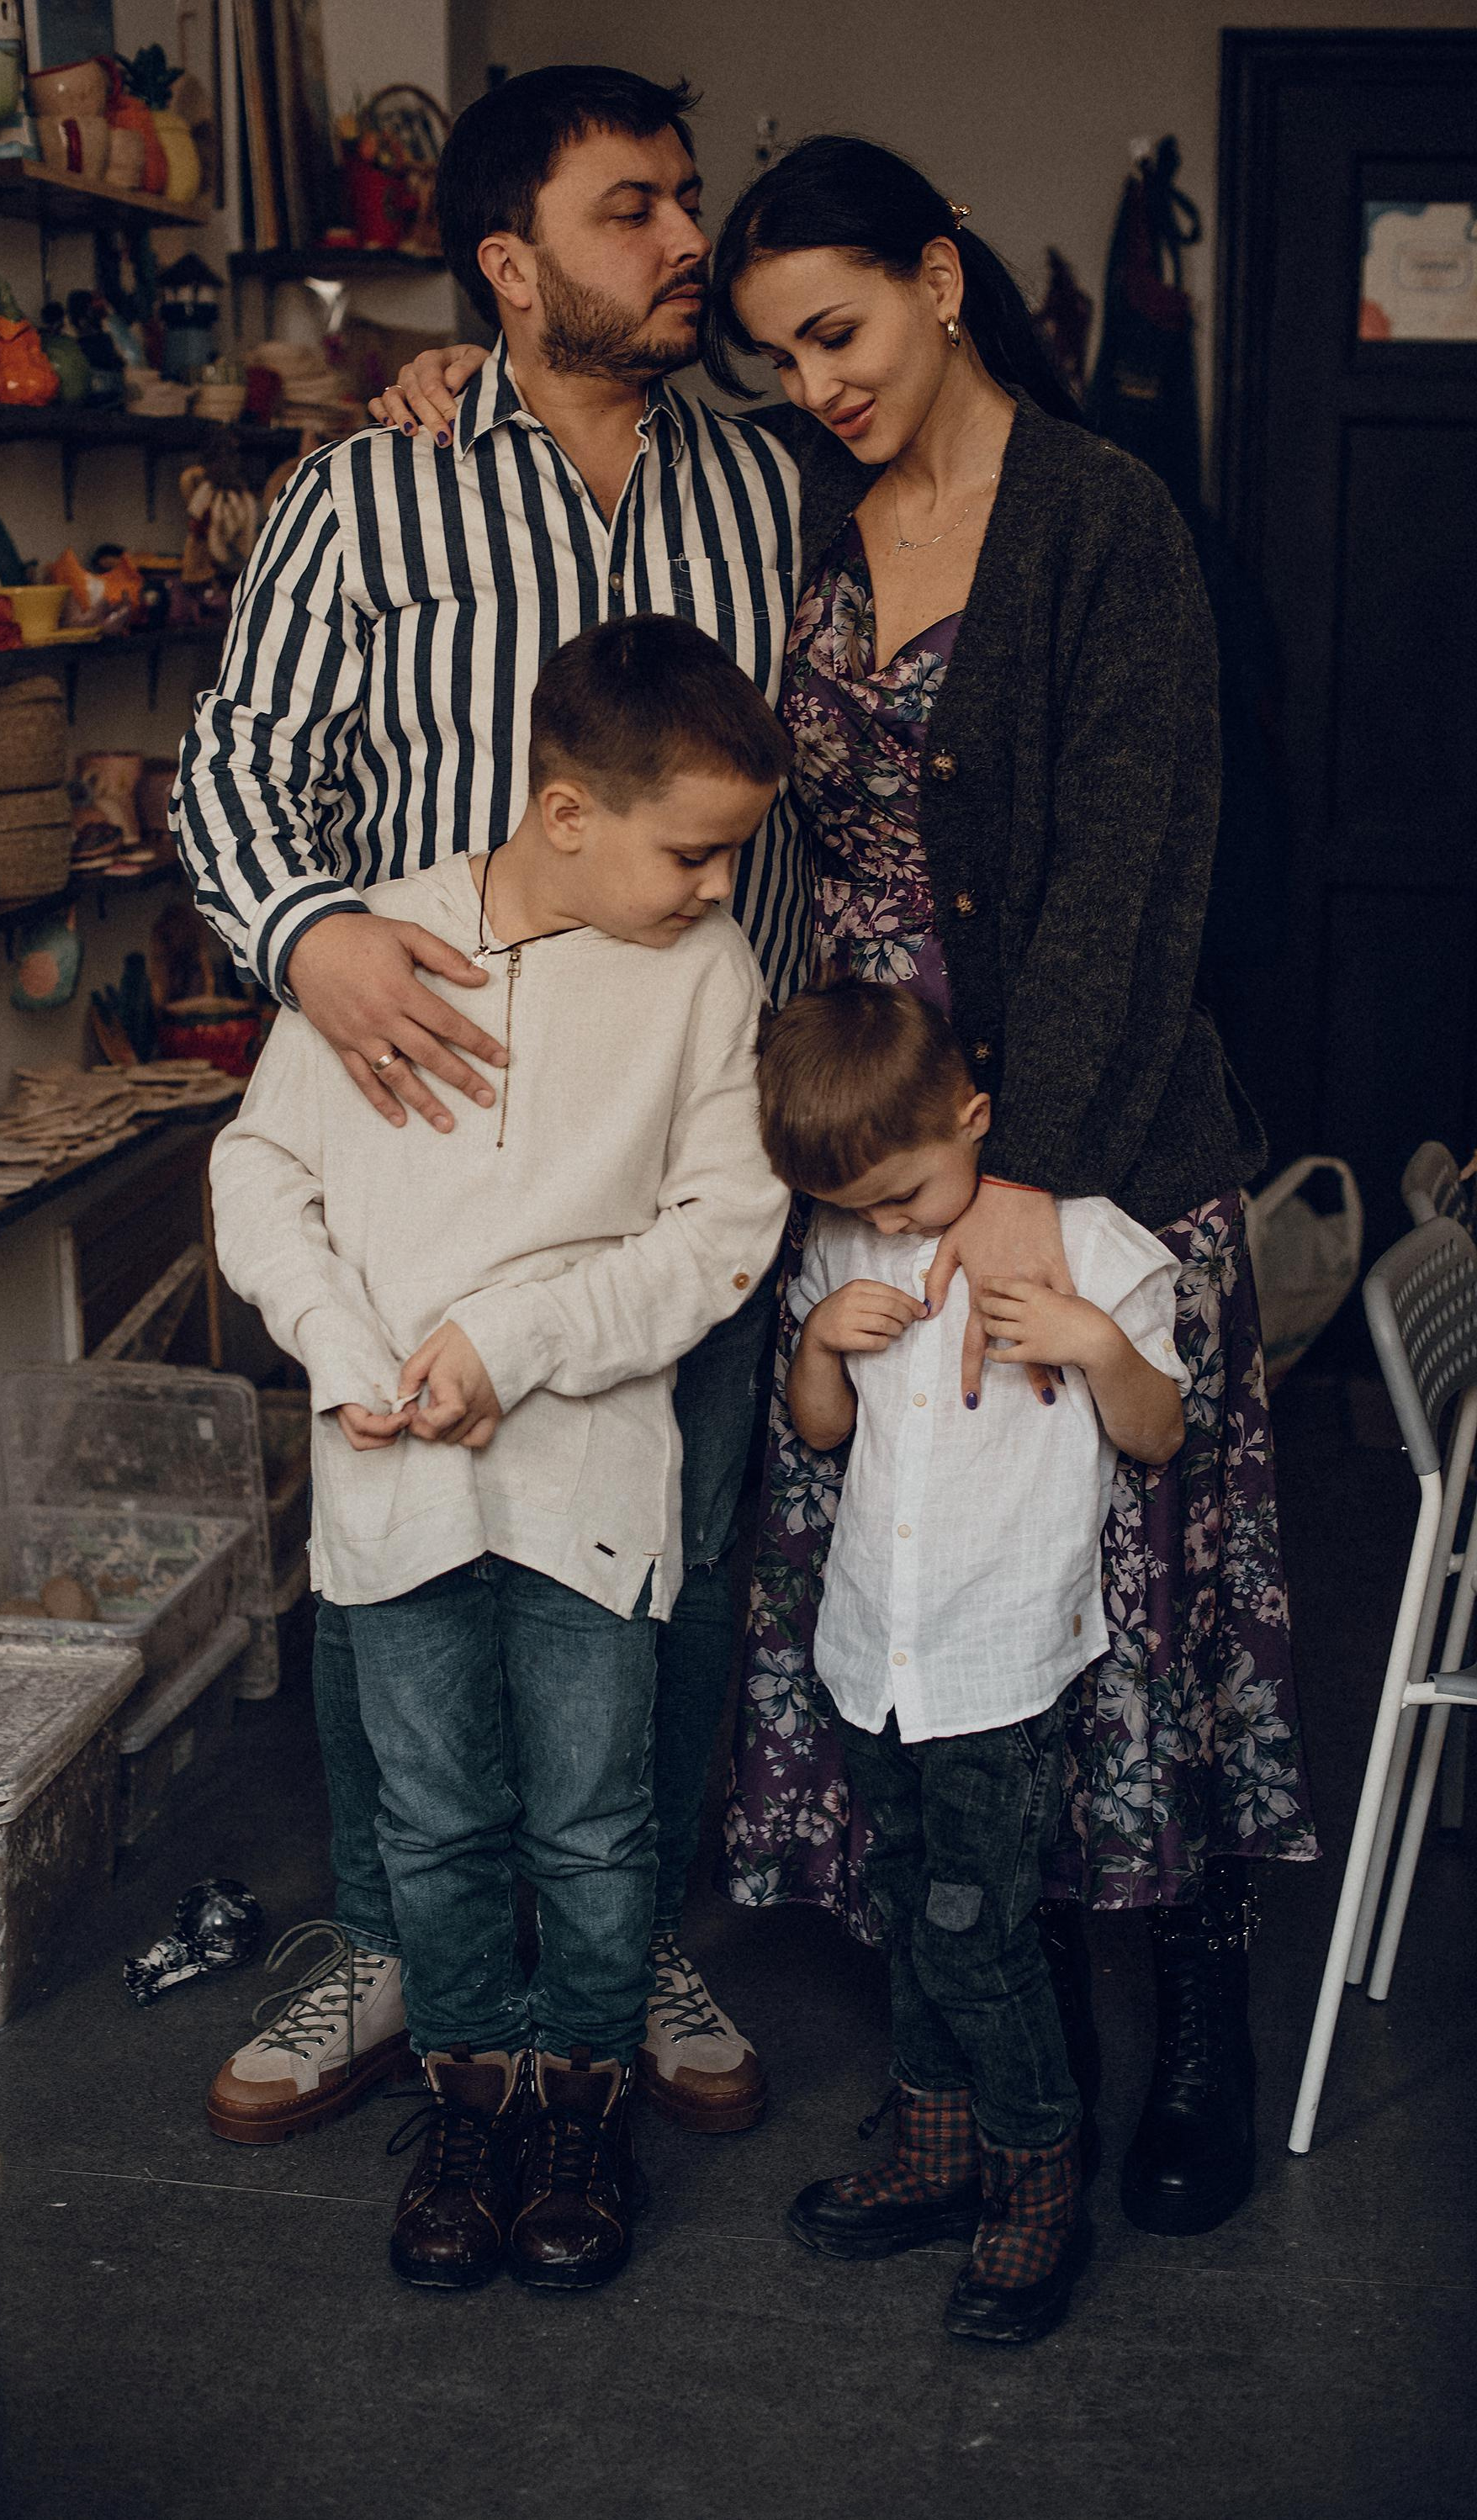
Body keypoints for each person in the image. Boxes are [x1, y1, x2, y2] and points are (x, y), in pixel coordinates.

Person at [354, 122, 1317, 2235]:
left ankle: (1202, 2036)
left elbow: (1138, 890)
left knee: (1133, 1614)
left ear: (945, 277)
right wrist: (440, 373)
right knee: (934, 1610)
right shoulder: (789, 502)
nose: (820, 383)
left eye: (845, 329)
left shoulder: (1104, 523)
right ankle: (984, 2069)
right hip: (851, 1145)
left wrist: (1010, 1182)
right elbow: (584, 489)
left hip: (1082, 1146)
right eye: (783, 352)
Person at [176, 65, 821, 2142]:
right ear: (508, 265)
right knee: (397, 1579)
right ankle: (395, 1945)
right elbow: (233, 765)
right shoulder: (376, 487)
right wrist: (309, 938)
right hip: (411, 1144)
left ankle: (621, 1946)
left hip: (671, 1142)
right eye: (632, 210)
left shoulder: (771, 482)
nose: (686, 241)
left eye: (687, 200)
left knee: (675, 1564)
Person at [208, 615, 792, 2291]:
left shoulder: (706, 978)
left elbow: (722, 1235)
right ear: (562, 814)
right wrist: (340, 1341)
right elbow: (262, 1177)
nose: (713, 885)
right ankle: (466, 2102)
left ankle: (577, 2107)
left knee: (602, 1825)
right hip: (389, 1480)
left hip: (595, 1486)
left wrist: (516, 1347)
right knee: (437, 1820)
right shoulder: (376, 943)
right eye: (691, 850)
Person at [756, 978, 1188, 2343]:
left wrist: (1097, 1343)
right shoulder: (847, 1244)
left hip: (998, 1665)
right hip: (871, 1651)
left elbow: (1162, 1432)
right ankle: (940, 2157)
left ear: (975, 1119)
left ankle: (1032, 2183)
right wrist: (819, 1343)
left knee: (981, 1931)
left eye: (907, 1191)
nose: (889, 1225)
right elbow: (820, 1433)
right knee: (910, 1903)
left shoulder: (1087, 1244)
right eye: (864, 1207)